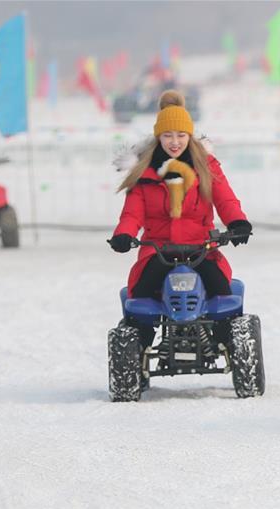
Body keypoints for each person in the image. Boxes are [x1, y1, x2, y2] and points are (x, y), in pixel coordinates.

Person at [108, 90, 252, 348]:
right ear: (158, 137)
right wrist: (124, 235)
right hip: (159, 250)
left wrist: (237, 223)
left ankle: (226, 342)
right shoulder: (145, 173)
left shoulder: (206, 167)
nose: (175, 142)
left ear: (189, 135)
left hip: (201, 248)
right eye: (168, 135)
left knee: (223, 292)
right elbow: (132, 212)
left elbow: (225, 198)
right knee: (139, 298)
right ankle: (137, 349)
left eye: (181, 135)